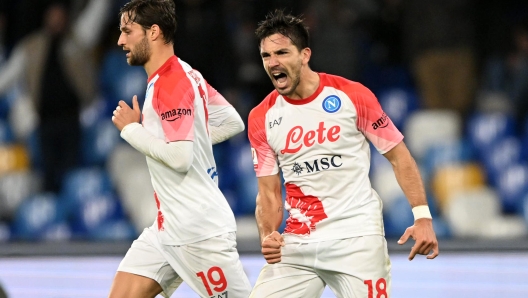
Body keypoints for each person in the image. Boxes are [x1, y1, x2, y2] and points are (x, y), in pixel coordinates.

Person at [247, 10, 439, 297]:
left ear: (305, 55)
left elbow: (400, 157)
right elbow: (269, 192)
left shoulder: (352, 96)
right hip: (298, 240)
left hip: (356, 237)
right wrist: (268, 234)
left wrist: (422, 217)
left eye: (282, 53)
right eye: (266, 56)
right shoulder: (261, 116)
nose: (273, 63)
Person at [108, 1, 251, 297]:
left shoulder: (171, 84)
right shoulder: (187, 73)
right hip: (167, 229)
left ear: (154, 32)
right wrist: (183, 137)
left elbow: (181, 158)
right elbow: (232, 122)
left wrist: (132, 131)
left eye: (127, 31)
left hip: (199, 232)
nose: (121, 40)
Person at [0, 0, 110, 193]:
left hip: (71, 119)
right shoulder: (31, 47)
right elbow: (8, 77)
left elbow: (99, 12)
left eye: (60, 15)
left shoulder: (77, 39)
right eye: (53, 15)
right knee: (48, 176)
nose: (56, 19)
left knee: (72, 172)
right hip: (45, 122)